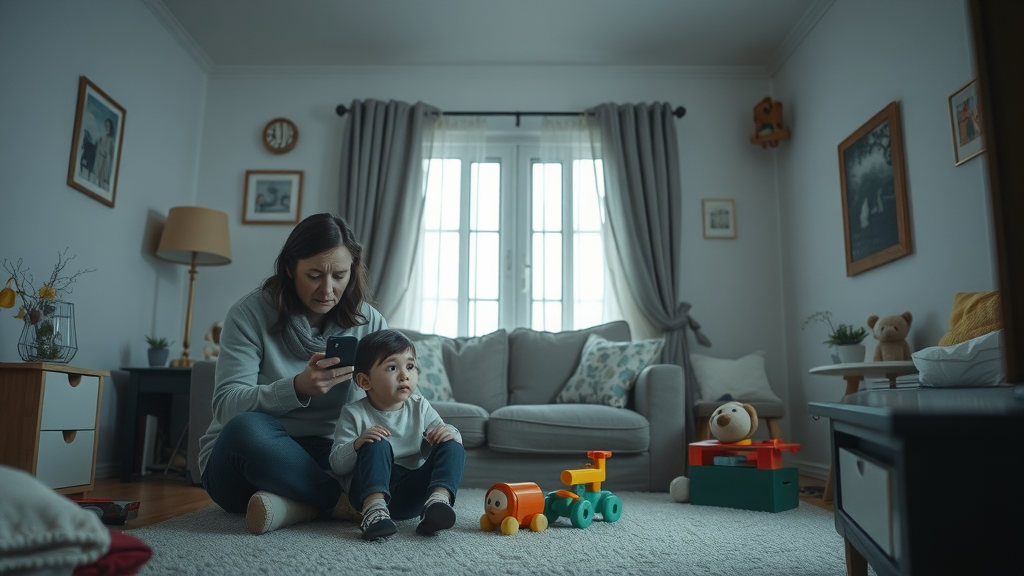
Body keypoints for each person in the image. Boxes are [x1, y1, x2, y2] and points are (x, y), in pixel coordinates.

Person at [197, 213, 388, 535]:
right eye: (314, 275)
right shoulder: (248, 314)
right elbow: (226, 406)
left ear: (353, 271)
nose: (328, 289)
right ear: (289, 268)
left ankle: (296, 504)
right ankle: (342, 504)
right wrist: (297, 387)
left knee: (396, 467)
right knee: (245, 428)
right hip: (251, 462)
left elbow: (390, 403)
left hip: (331, 456)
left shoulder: (369, 323)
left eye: (340, 275)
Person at [330, 329, 465, 541]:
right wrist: (357, 444)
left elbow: (444, 438)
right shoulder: (354, 413)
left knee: (453, 442)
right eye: (392, 368)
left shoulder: (419, 406)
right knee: (377, 442)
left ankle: (438, 503)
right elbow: (337, 465)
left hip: (411, 495)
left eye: (410, 367)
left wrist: (448, 433)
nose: (405, 375)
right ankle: (374, 513)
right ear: (365, 382)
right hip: (367, 492)